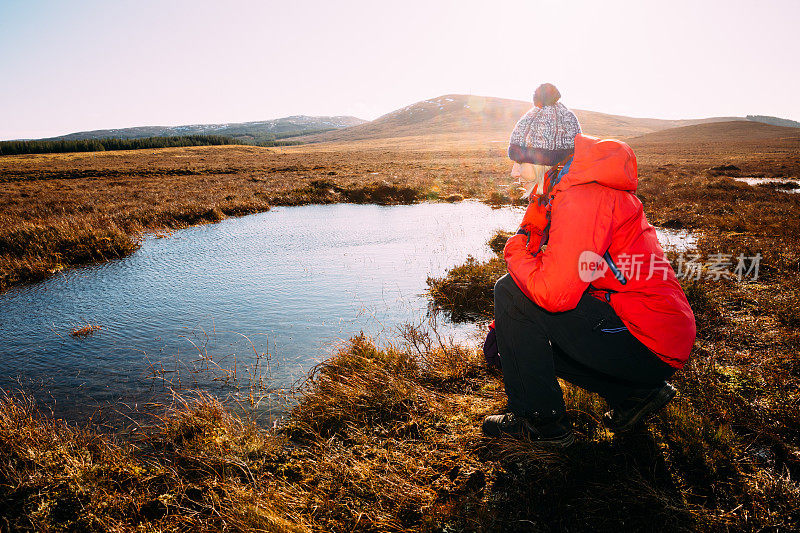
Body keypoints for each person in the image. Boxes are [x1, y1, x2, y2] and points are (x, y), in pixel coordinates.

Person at [482, 83, 696, 447]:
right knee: (503, 341)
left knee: (508, 288)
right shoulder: (565, 189)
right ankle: (633, 395)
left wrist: (513, 248)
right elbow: (556, 263)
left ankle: (541, 425)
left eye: (520, 161)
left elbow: (554, 294)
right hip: (648, 331)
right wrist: (505, 329)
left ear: (545, 158)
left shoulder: (583, 198)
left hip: (647, 339)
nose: (515, 173)